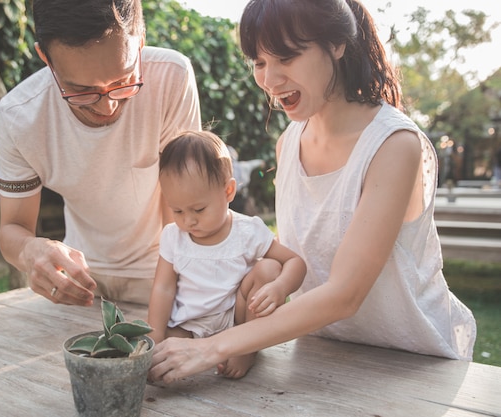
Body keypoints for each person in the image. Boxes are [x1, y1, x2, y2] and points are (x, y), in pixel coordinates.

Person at [149, 0, 476, 384]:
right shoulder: (288, 144)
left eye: (286, 57)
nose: (269, 80)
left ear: (336, 44)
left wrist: (213, 347)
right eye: (258, 62)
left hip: (415, 363)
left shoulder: (394, 144)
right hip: (323, 355)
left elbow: (345, 294)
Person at [0, 0, 201, 306]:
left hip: (166, 274)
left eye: (124, 81)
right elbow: (13, 229)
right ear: (45, 57)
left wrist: (173, 290)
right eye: (81, 91)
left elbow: (184, 210)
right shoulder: (19, 117)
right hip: (80, 282)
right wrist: (30, 251)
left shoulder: (171, 78)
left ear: (141, 39)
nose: (108, 106)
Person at [148, 131, 306, 378]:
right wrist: (155, 334)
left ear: (228, 191)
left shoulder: (248, 231)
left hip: (238, 322)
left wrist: (281, 287)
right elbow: (163, 288)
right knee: (160, 363)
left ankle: (247, 348)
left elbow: (295, 262)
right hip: (188, 324)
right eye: (177, 210)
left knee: (269, 269)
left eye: (199, 209)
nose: (188, 220)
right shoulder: (172, 236)